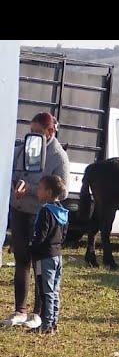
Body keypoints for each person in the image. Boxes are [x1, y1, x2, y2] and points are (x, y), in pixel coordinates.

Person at [2, 112, 70, 328]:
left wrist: (30, 188)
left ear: (50, 132)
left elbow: (64, 191)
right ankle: (19, 310)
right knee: (22, 259)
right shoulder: (24, 148)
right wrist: (15, 183)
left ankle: (38, 313)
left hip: (42, 216)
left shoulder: (58, 157)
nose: (33, 135)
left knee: (40, 265)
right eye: (31, 131)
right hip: (20, 210)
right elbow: (11, 170)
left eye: (38, 132)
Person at [27, 175, 68, 334]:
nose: (37, 191)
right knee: (54, 291)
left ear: (49, 192)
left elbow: (40, 236)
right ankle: (53, 322)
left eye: (40, 188)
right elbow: (63, 236)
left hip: (43, 258)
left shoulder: (45, 211)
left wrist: (30, 248)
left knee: (46, 291)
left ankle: (46, 326)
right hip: (57, 256)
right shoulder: (62, 212)